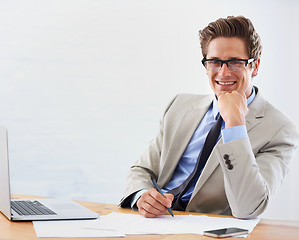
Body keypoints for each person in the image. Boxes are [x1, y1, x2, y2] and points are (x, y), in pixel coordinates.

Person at [119, 16, 299, 219]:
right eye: (215, 62)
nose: (223, 72)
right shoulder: (179, 106)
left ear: (254, 66)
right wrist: (142, 196)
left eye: (235, 62)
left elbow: (249, 208)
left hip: (209, 230)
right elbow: (142, 170)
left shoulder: (280, 130)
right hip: (155, 223)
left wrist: (235, 124)